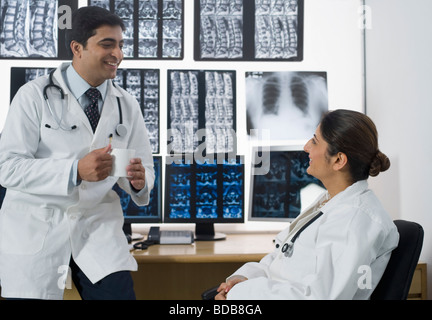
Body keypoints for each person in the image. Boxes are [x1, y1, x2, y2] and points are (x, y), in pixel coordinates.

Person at [0, 6, 154, 300]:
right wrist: (73, 171)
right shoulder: (33, 96)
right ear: (77, 48)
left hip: (98, 229)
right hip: (38, 227)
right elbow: (7, 167)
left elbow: (144, 167)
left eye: (121, 45)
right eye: (107, 44)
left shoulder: (127, 105)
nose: (118, 54)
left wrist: (139, 180)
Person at [215, 109, 399, 300]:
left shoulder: (355, 220)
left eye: (314, 141)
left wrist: (239, 296)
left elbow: (321, 297)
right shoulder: (330, 203)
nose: (305, 147)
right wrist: (246, 277)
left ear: (338, 160)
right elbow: (284, 257)